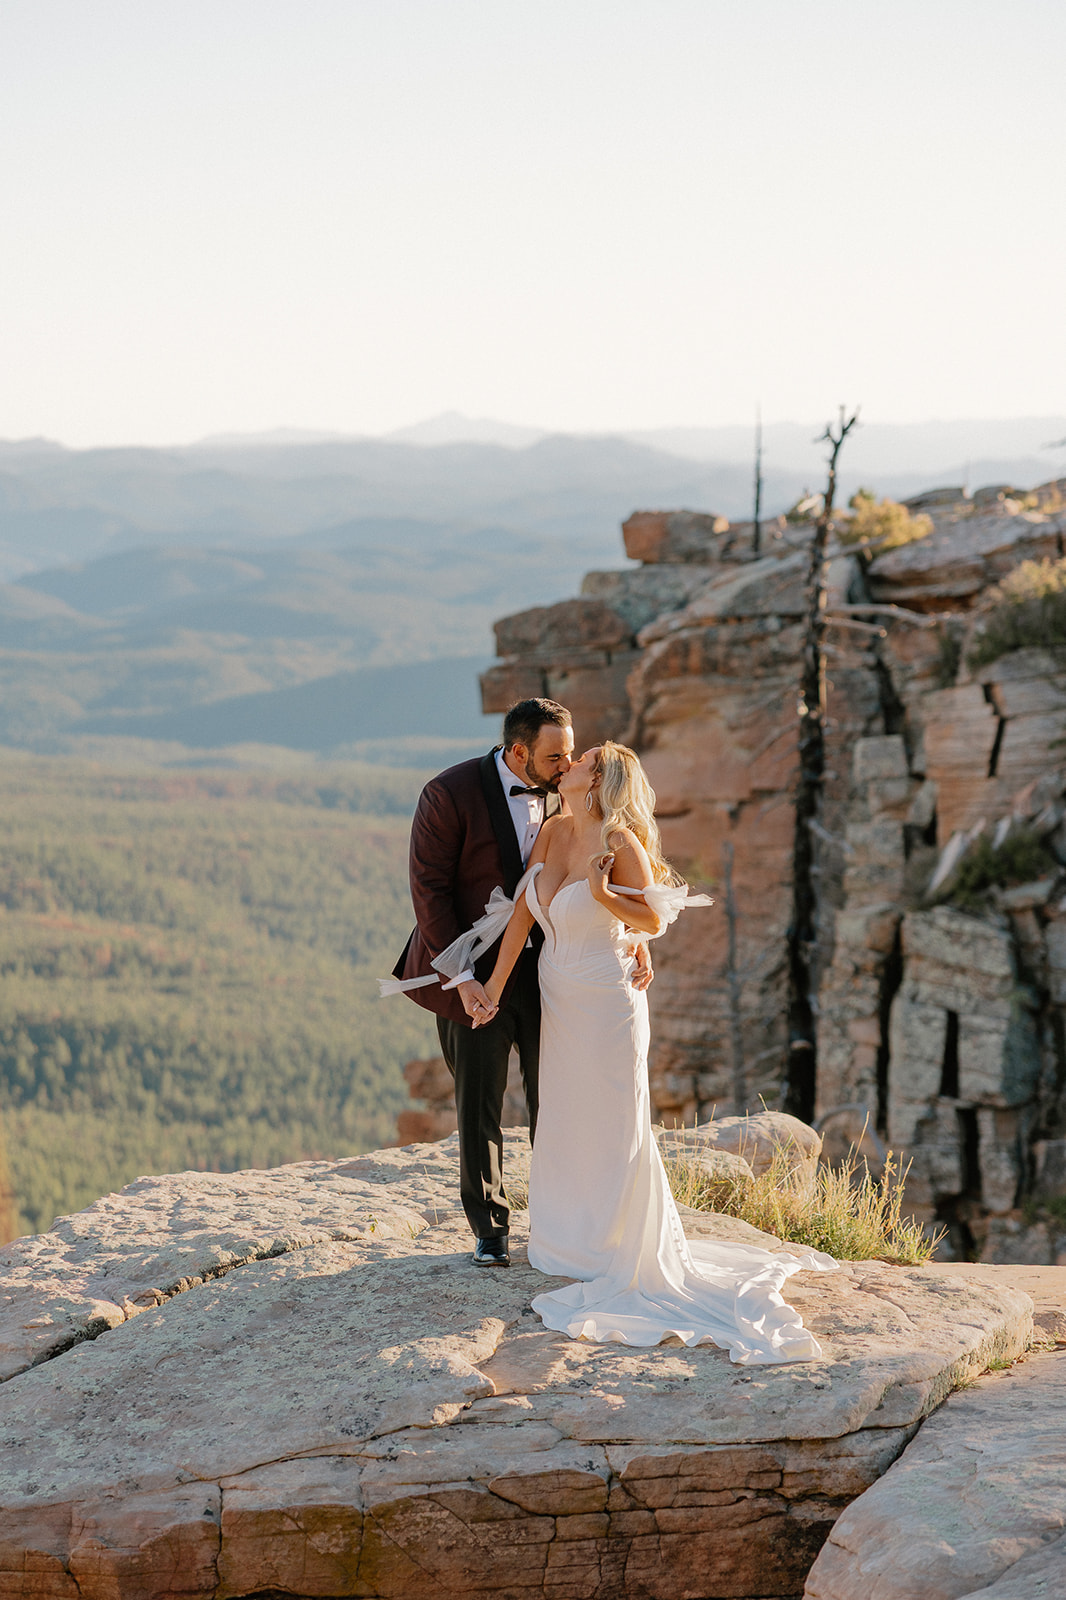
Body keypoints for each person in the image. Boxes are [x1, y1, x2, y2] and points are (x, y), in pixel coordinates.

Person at [475, 740, 838, 1365]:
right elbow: (520, 921)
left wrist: (605, 895)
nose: (567, 766)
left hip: (608, 1002)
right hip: (560, 997)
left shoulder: (620, 843)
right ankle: (567, 1241)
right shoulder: (555, 830)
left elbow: (650, 923)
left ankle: (615, 1244)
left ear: (598, 780)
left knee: (614, 1119)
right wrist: (491, 987)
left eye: (579, 761)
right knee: (564, 1113)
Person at [386, 700, 652, 1268]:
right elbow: (428, 895)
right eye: (557, 755)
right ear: (518, 752)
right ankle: (490, 1230)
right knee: (478, 1101)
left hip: (557, 972)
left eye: (572, 753)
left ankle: (564, 1221)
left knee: (553, 1096)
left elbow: (602, 875)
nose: (569, 763)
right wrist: (461, 979)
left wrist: (630, 930)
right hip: (476, 971)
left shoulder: (569, 792)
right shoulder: (447, 794)